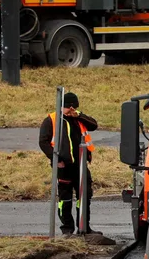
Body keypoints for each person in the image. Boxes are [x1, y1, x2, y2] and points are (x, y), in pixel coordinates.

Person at [38, 93, 114, 244]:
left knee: (84, 196)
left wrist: (78, 115)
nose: (70, 110)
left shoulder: (79, 119)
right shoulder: (51, 120)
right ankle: (67, 229)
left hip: (80, 165)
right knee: (65, 198)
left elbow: (94, 125)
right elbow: (43, 142)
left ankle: (84, 227)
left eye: (73, 107)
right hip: (64, 166)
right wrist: (56, 159)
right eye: (67, 107)